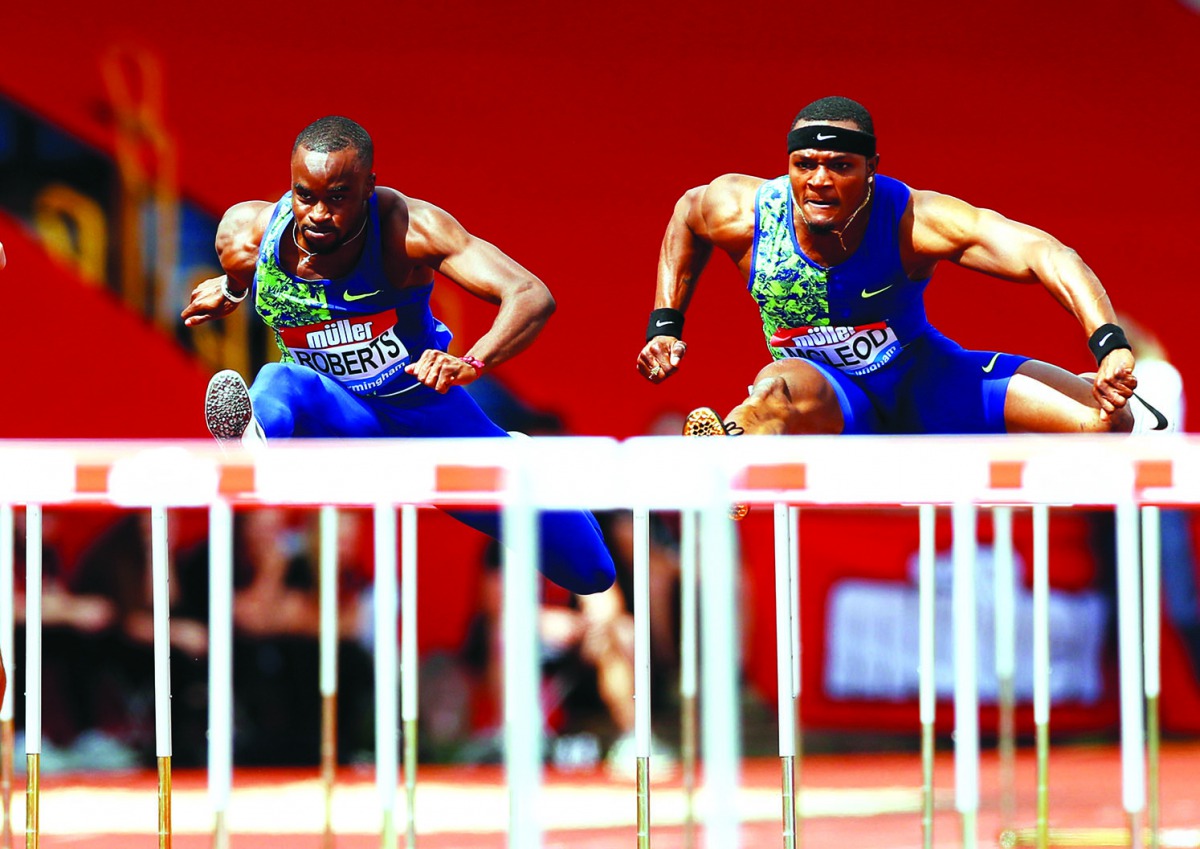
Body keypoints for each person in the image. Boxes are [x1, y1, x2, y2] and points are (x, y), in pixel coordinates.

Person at [181, 115, 614, 595]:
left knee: (590, 573)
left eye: (338, 197)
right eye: (305, 196)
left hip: (428, 420)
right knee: (281, 380)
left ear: (369, 185)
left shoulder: (409, 230)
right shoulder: (246, 236)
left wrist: (472, 362)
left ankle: (526, 463)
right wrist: (234, 291)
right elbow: (242, 275)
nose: (318, 214)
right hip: (336, 416)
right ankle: (252, 449)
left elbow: (531, 295)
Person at [637, 96, 1168, 475]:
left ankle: (1086, 392)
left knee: (1108, 424)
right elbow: (687, 214)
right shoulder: (746, 211)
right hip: (826, 391)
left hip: (925, 379)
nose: (818, 181)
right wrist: (665, 323)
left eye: (839, 166)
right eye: (805, 165)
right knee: (771, 390)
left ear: (871, 169)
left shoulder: (912, 219)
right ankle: (730, 453)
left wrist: (1109, 342)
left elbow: (1044, 253)